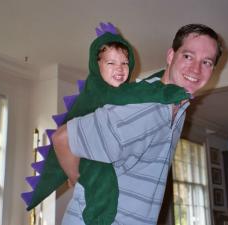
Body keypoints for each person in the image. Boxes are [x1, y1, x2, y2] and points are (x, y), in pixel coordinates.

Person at [52, 23, 224, 225]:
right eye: (188, 56)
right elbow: (62, 138)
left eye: (207, 62)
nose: (196, 68)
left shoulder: (178, 108)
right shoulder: (141, 107)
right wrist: (79, 179)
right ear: (171, 56)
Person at [21, 22, 190, 225]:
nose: (119, 69)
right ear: (96, 66)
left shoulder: (120, 90)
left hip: (91, 146)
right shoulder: (102, 90)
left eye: (125, 63)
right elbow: (142, 92)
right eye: (111, 63)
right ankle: (97, 218)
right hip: (85, 153)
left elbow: (140, 89)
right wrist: (172, 91)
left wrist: (161, 78)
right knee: (104, 186)